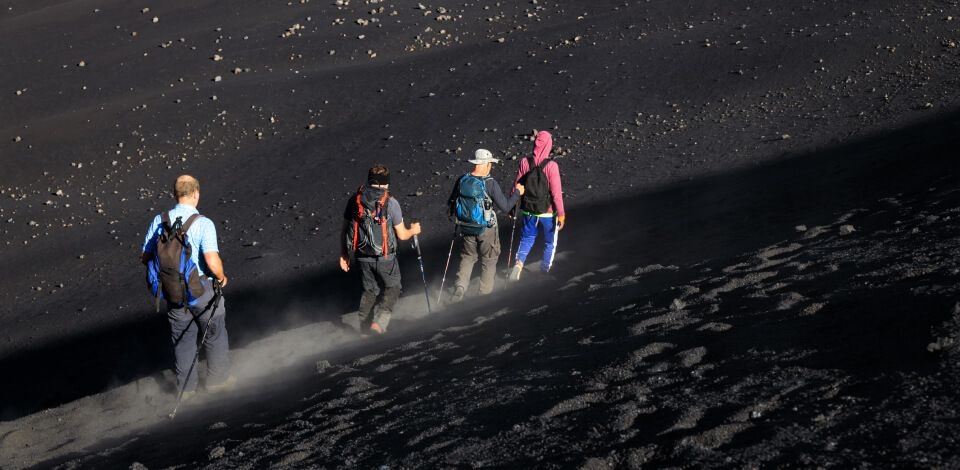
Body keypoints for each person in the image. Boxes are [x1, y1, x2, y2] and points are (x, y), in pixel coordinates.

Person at [140, 175, 234, 399]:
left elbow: (145, 256)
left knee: (183, 341)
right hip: (201, 289)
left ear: (175, 195)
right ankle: (217, 382)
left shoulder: (159, 220)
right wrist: (221, 277)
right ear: (196, 194)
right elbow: (211, 260)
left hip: (173, 292)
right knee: (214, 333)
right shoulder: (203, 223)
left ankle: (186, 390)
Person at [340, 164, 422, 334]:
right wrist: (414, 230)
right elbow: (402, 235)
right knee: (393, 287)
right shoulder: (391, 203)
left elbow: (345, 229)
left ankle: (364, 328)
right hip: (386, 257)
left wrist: (344, 254)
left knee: (369, 291)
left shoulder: (355, 200)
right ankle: (379, 323)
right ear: (386, 183)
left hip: (361, 256)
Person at [447, 149, 524, 301]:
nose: (491, 166)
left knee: (468, 257)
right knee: (489, 259)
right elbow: (506, 206)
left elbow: (451, 203)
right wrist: (517, 193)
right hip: (487, 229)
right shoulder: (490, 183)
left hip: (466, 226)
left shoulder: (462, 180)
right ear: (486, 164)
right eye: (491, 163)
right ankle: (484, 295)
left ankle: (460, 288)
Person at [509, 130, 565, 280]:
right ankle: (544, 270)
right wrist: (561, 214)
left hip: (528, 209)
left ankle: (519, 263)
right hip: (547, 212)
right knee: (549, 242)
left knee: (527, 238)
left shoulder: (524, 162)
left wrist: (511, 206)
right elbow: (556, 193)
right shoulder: (552, 166)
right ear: (549, 144)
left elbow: (516, 186)